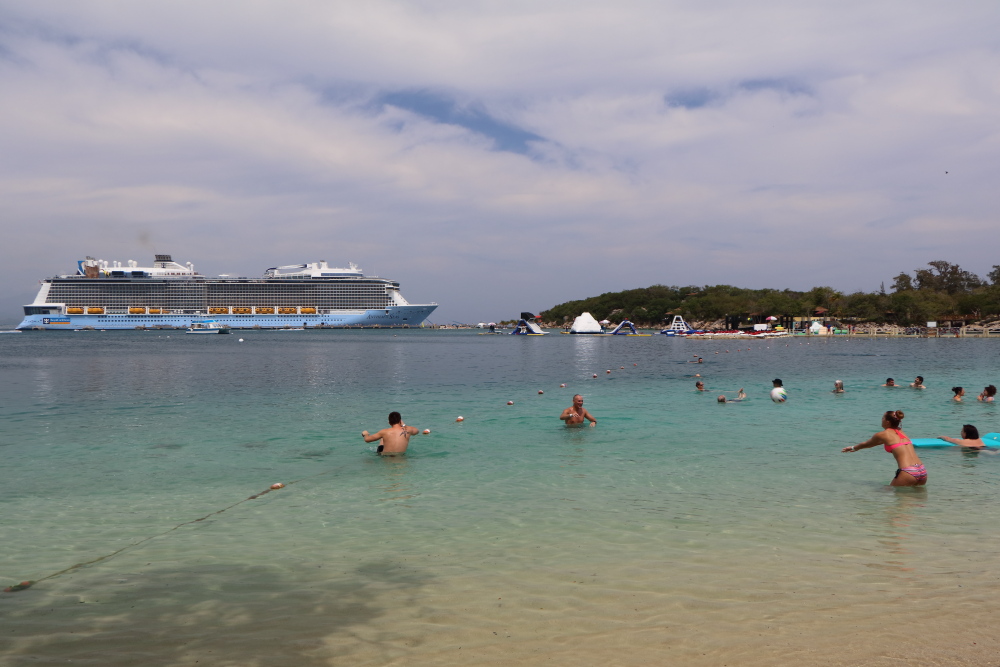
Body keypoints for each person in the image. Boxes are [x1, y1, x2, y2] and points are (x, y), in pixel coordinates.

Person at [842, 410, 927, 486]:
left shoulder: (883, 434)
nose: (881, 420)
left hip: (909, 472)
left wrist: (853, 448)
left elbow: (868, 444)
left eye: (883, 418)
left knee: (892, 497)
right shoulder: (901, 432)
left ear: (887, 422)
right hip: (922, 470)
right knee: (917, 500)